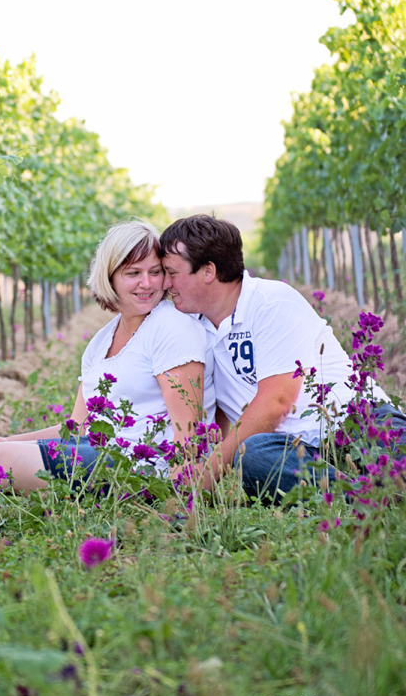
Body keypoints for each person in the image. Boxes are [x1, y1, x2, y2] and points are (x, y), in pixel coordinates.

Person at [0, 220, 215, 506]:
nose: (147, 283)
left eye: (155, 272)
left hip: (142, 470)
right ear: (109, 277)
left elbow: (188, 432)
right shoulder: (102, 341)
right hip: (99, 452)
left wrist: (178, 503)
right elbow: (77, 427)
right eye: (133, 273)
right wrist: (7, 439)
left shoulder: (173, 327)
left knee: (0, 461)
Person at [159, 214, 403, 501]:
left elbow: (276, 403)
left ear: (208, 271)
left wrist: (206, 476)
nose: (165, 284)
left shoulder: (272, 301)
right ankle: (369, 498)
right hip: (293, 451)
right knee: (253, 458)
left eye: (172, 273)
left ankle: (371, 492)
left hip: (356, 425)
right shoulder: (194, 327)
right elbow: (222, 412)